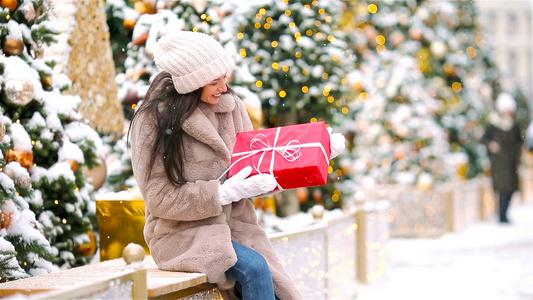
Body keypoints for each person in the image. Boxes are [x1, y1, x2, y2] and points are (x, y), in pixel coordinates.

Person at [129, 31, 345, 299]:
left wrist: (316, 153)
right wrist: (220, 194)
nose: (223, 87)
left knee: (278, 288)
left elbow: (258, 168)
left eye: (224, 77)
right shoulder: (152, 121)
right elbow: (158, 197)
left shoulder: (231, 108)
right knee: (255, 268)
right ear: (191, 82)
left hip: (239, 230)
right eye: (214, 80)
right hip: (183, 235)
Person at [481, 92, 523, 224]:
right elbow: (484, 139)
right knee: (503, 189)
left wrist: (516, 151)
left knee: (510, 190)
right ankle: (501, 215)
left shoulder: (514, 125)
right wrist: (491, 145)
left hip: (511, 162)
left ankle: (503, 213)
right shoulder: (493, 125)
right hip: (498, 162)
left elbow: (519, 141)